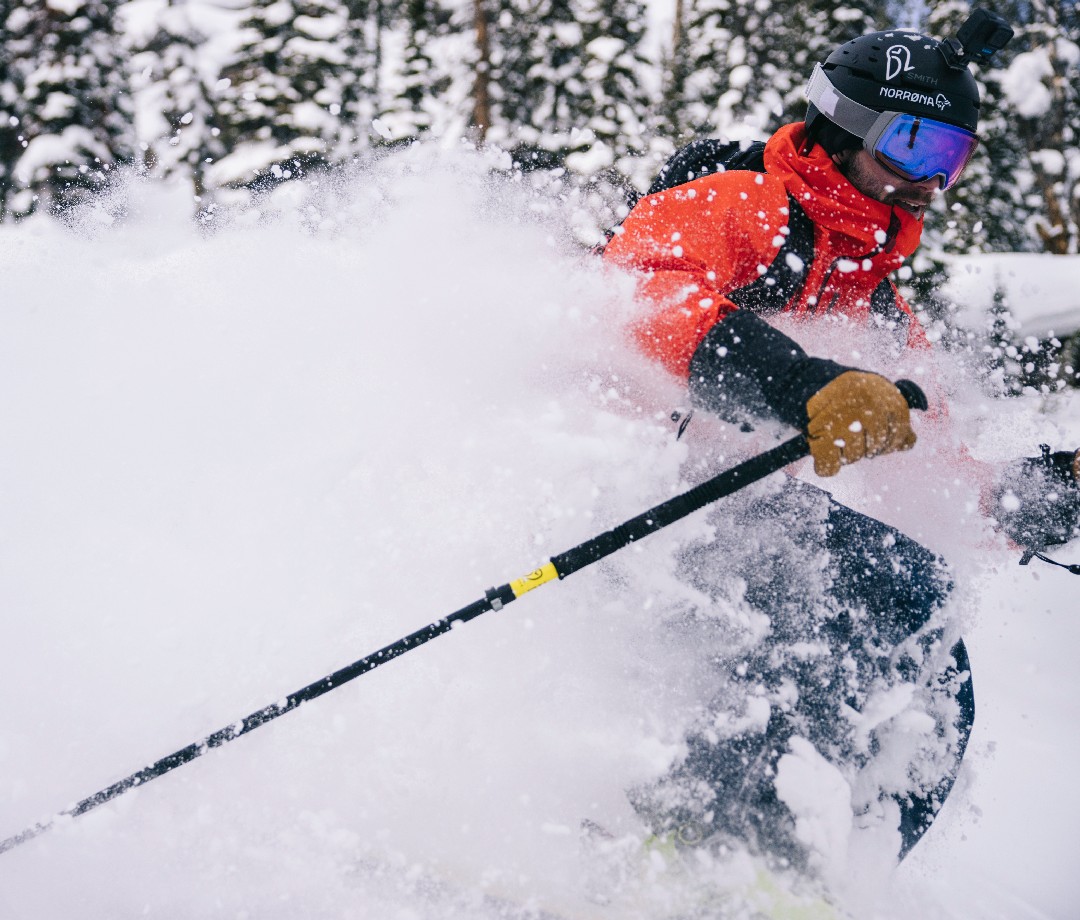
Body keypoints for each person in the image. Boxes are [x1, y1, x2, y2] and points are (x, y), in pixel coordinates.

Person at [602, 12, 1080, 871]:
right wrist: (800, 385)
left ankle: (841, 865)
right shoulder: (742, 202)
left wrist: (1048, 493)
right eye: (913, 147)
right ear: (844, 126)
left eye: (951, 159)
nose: (929, 182)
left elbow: (936, 471)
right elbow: (641, 295)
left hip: (730, 505)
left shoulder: (873, 297)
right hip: (617, 488)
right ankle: (698, 846)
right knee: (799, 594)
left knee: (921, 618)